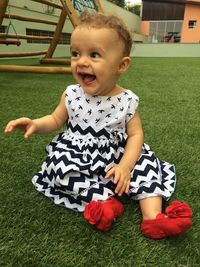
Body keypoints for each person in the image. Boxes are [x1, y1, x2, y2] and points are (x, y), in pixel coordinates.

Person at [4, 10, 192, 239]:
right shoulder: (71, 94)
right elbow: (55, 119)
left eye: (94, 55)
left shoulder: (127, 100)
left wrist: (124, 166)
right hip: (78, 154)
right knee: (62, 169)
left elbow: (135, 136)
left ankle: (153, 217)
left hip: (119, 155)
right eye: (75, 53)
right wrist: (35, 123)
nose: (81, 61)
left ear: (121, 65)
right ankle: (104, 202)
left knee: (146, 167)